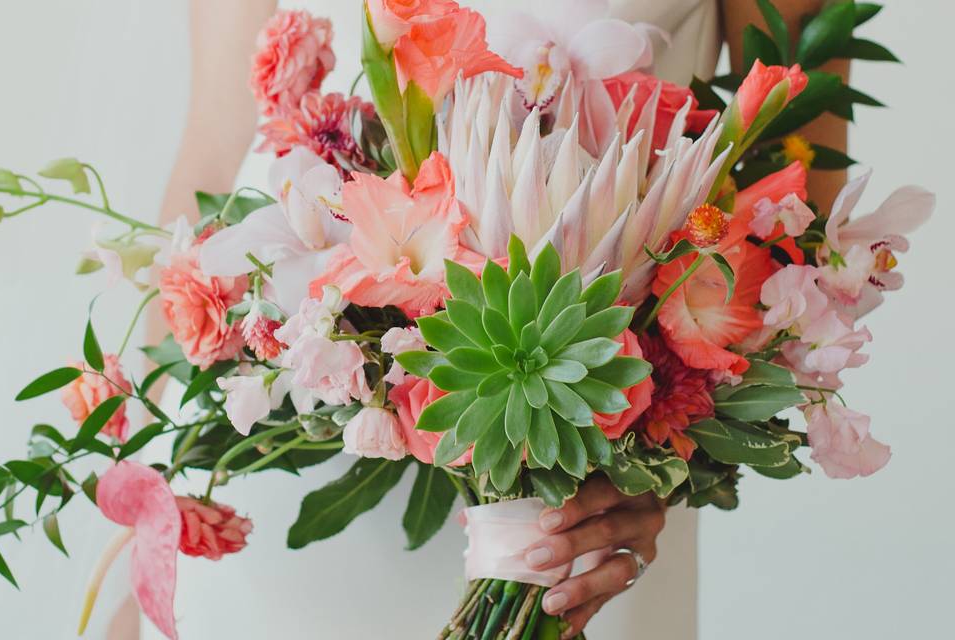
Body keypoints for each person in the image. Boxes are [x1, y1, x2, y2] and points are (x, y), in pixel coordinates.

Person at [111, 2, 848, 639]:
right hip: (287, 414)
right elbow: (217, 147)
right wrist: (140, 524)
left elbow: (794, 184)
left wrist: (671, 448)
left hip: (578, 482)